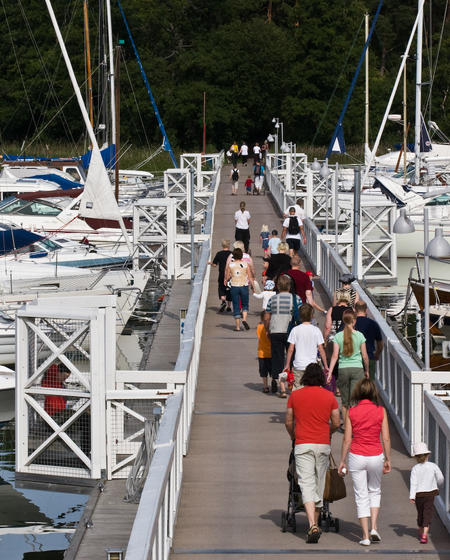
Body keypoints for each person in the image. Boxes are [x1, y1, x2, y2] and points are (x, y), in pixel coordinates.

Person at [285, 363, 340, 543]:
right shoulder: (330, 396)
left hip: (303, 444)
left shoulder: (295, 396)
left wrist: (293, 435)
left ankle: (312, 525)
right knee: (318, 484)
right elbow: (336, 422)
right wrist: (328, 432)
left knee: (306, 483)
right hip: (322, 444)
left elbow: (288, 421)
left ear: (305, 377)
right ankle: (314, 523)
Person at [338, 379, 391, 546]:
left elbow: (347, 439)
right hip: (376, 455)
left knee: (361, 495)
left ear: (358, 393)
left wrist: (342, 460)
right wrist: (388, 458)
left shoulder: (351, 412)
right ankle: (374, 527)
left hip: (357, 455)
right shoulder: (381, 411)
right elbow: (386, 438)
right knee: (374, 491)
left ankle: (365, 536)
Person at [328, 309, 369, 426]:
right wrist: (366, 370)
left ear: (343, 320)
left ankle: (346, 427)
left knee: (345, 401)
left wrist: (330, 372)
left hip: (343, 369)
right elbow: (365, 356)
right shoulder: (360, 335)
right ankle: (355, 425)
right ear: (354, 321)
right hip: (357, 369)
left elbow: (335, 356)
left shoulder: (338, 336)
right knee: (355, 400)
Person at [264, 274, 302, 397]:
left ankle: (279, 384)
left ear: (278, 286)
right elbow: (301, 315)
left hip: (275, 331)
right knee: (292, 358)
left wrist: (267, 329)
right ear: (289, 286)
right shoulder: (296, 299)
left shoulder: (272, 299)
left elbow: (267, 317)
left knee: (277, 358)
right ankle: (292, 383)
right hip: (291, 332)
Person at [284, 304, 328, 390]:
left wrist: (287, 364)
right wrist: (325, 365)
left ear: (300, 316)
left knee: (298, 389)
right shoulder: (316, 330)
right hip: (312, 367)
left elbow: (290, 349)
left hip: (299, 365)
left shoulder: (295, 330)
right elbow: (321, 349)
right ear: (312, 315)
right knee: (313, 390)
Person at [409, 442, 444, 544]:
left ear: (416, 457)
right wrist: (438, 485)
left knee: (420, 513)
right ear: (428, 455)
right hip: (430, 494)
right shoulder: (433, 466)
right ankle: (424, 535)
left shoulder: (415, 469)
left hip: (419, 495)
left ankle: (421, 532)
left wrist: (412, 496)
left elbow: (413, 483)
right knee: (427, 513)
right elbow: (440, 478)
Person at [225, 247, 255, 331]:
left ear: (233, 256)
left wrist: (227, 279)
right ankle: (244, 319)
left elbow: (227, 277)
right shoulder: (246, 264)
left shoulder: (230, 265)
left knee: (236, 305)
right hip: (244, 285)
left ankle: (237, 327)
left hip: (234, 286)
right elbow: (250, 277)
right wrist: (253, 287)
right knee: (245, 304)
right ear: (241, 256)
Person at [354, 302, 384, 380]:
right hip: (369, 356)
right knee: (369, 384)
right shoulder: (373, 324)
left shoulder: (351, 324)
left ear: (355, 310)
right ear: (366, 310)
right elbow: (380, 344)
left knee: (355, 384)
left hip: (354, 359)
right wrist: (377, 354)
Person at [209, 239, 232, 313]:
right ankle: (229, 307)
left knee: (221, 288)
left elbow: (215, 265)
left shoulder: (219, 254)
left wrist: (210, 263)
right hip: (230, 274)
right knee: (229, 289)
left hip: (222, 274)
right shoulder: (231, 254)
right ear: (229, 245)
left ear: (222, 245)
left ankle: (223, 301)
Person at [257, 311, 272, 393]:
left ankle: (266, 386)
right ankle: (274, 382)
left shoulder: (259, 327)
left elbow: (259, 336)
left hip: (262, 353)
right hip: (271, 353)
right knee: (273, 370)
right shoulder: (272, 328)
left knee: (263, 371)